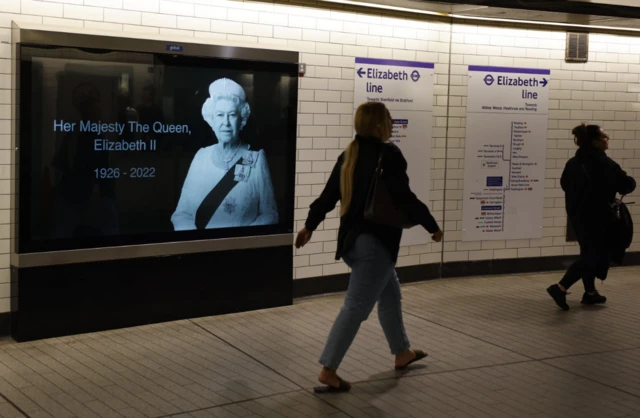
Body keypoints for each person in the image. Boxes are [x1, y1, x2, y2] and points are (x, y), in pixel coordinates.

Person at [295, 102, 443, 393]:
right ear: (378, 125)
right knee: (356, 307)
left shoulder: (348, 155)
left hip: (353, 243)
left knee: (390, 294)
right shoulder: (389, 155)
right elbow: (405, 198)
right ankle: (328, 369)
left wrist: (309, 226)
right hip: (376, 245)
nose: (392, 123)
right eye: (389, 119)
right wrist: (432, 226)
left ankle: (402, 352)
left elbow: (327, 198)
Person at [547, 124, 636, 310]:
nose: (607, 139)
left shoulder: (573, 162)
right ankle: (560, 287)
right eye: (604, 137)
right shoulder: (604, 162)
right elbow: (626, 185)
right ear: (595, 142)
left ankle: (590, 293)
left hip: (577, 217)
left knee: (588, 252)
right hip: (599, 218)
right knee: (593, 255)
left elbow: (565, 185)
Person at [171, 78, 279, 230]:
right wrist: (196, 241)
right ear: (211, 120)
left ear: (242, 119)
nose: (226, 123)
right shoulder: (201, 157)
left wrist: (241, 241)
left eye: (232, 115)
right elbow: (182, 214)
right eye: (220, 115)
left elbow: (270, 215)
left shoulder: (256, 159)